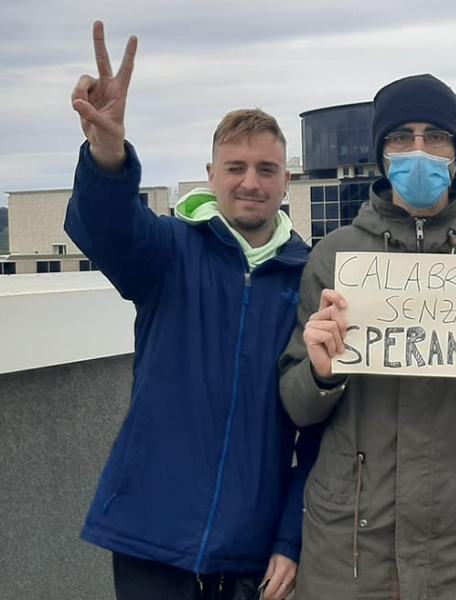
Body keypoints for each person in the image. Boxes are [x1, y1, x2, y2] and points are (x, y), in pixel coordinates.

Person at [66, 21, 318, 600]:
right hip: (149, 534)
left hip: (252, 548)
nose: (250, 183)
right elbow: (107, 229)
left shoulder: (310, 279)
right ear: (211, 176)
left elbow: (321, 430)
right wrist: (107, 153)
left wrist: (293, 536)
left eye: (266, 170)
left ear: (286, 181)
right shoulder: (169, 250)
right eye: (235, 168)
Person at [278, 73, 456, 599]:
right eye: (401, 137)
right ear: (381, 154)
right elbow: (296, 405)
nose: (419, 150)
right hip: (350, 537)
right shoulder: (334, 256)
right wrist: (320, 373)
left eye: (436, 136)